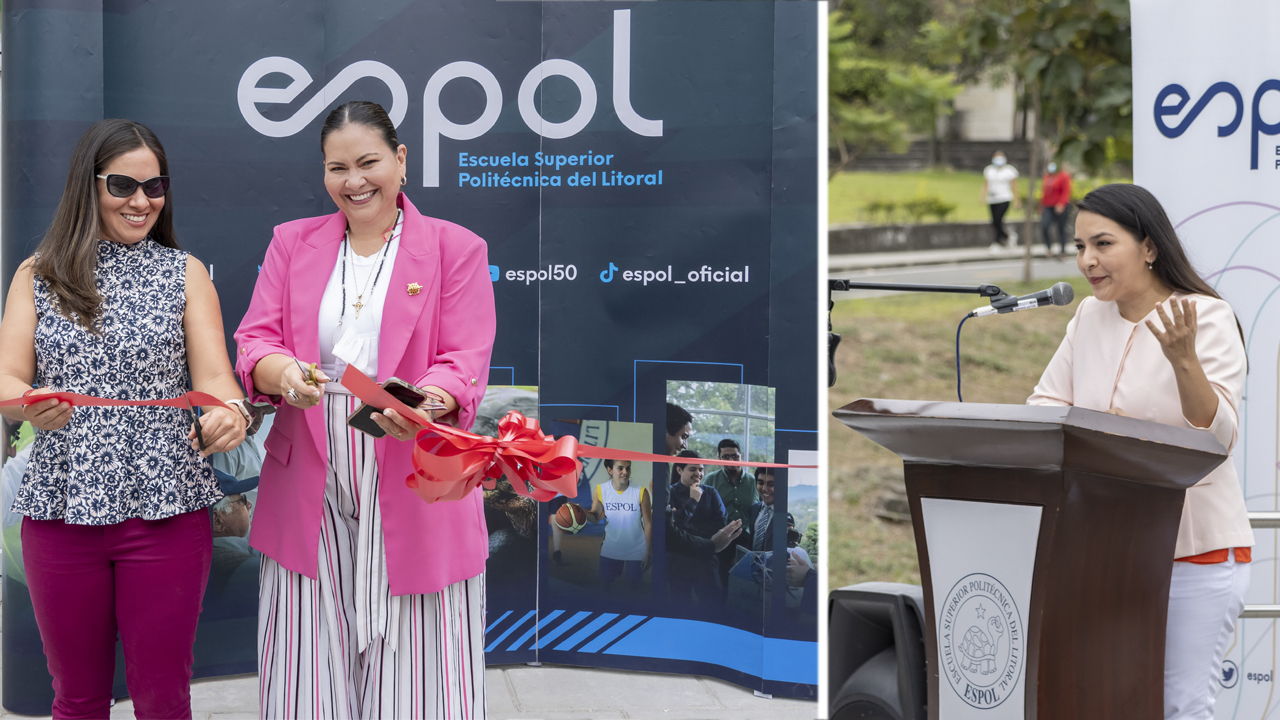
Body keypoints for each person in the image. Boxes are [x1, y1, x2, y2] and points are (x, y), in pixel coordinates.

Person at [235, 101, 495, 718]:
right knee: (306, 665)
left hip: (413, 462)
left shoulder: (455, 248)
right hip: (309, 470)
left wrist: (426, 403)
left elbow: (462, 359)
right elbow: (256, 340)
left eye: (369, 162)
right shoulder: (292, 243)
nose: (354, 181)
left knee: (420, 668)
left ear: (401, 161)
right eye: (337, 167)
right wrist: (284, 375)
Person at [0, 119, 250, 718]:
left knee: (163, 698)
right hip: (62, 507)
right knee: (77, 698)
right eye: (123, 185)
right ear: (87, 186)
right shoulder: (37, 274)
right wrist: (28, 402)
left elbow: (216, 378)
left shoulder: (184, 273)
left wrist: (233, 411)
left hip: (166, 506)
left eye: (155, 186)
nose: (142, 201)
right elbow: (7, 380)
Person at [1027, 183, 1252, 720]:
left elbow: (1216, 437)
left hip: (1193, 551)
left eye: (1103, 244)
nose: (1087, 261)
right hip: (1104, 551)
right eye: (1080, 247)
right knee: (1112, 701)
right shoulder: (1088, 317)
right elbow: (1043, 407)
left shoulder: (1206, 317)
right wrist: (1099, 430)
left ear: (1149, 247)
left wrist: (1183, 362)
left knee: (1179, 708)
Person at [666, 450, 727, 602]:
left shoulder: (711, 493)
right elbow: (670, 528)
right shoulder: (669, 493)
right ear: (679, 470)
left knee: (713, 606)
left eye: (701, 469)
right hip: (678, 561)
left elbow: (721, 524)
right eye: (692, 469)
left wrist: (684, 523)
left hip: (706, 559)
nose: (698, 473)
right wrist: (692, 501)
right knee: (680, 607)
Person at [585, 459, 651, 589]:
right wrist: (580, 512)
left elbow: (648, 524)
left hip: (636, 549)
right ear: (610, 470)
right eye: (620, 468)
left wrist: (648, 553)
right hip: (611, 547)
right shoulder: (600, 490)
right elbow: (595, 518)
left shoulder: (641, 492)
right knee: (605, 587)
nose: (625, 472)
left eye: (628, 468)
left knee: (634, 588)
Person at [702, 439, 756, 524]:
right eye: (726, 457)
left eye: (735, 456)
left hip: (750, 535)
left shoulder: (754, 482)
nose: (731, 461)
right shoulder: (710, 480)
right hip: (719, 534)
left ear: (741, 457)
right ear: (719, 459)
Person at [981, 150, 1021, 250]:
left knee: (998, 219)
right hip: (992, 199)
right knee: (994, 222)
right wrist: (982, 196)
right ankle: (1007, 237)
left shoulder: (1009, 171)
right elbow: (985, 185)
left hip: (1004, 198)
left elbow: (1014, 186)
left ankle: (997, 242)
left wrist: (1017, 200)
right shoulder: (989, 170)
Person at [1039, 161, 1073, 259]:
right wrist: (1041, 205)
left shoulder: (1064, 176)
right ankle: (1048, 248)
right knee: (1044, 226)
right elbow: (1044, 192)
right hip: (1047, 206)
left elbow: (1066, 191)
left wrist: (1061, 204)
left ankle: (1062, 250)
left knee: (1061, 228)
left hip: (1060, 206)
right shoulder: (1047, 177)